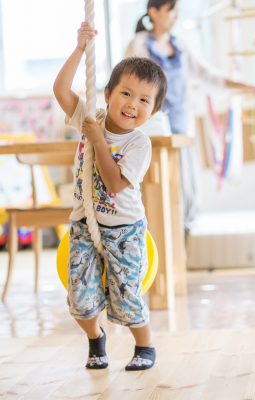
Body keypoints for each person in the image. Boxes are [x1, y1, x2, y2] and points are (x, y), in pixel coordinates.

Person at [53, 21, 167, 371]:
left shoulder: (139, 143)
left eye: (144, 100)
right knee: (80, 300)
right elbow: (60, 90)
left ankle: (145, 346)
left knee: (127, 297)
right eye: (126, 93)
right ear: (107, 94)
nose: (133, 104)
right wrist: (79, 49)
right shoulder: (92, 118)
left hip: (125, 231)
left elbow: (115, 183)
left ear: (154, 111)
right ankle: (95, 338)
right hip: (85, 225)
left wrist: (98, 140)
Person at [125, 0, 255, 230]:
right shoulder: (138, 45)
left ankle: (181, 254)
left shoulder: (181, 46)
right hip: (150, 134)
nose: (175, 15)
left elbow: (208, 75)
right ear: (153, 12)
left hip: (181, 131)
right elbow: (126, 85)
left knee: (186, 196)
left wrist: (244, 85)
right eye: (171, 10)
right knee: (155, 199)